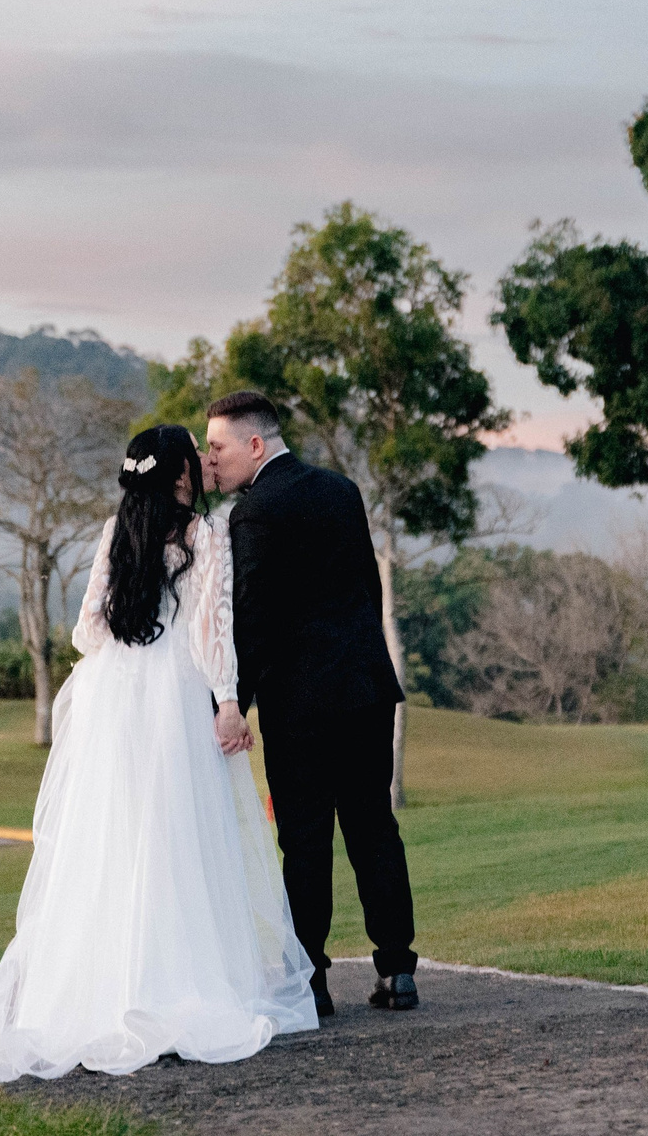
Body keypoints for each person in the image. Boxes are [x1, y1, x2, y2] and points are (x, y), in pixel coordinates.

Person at [0, 425, 318, 1084]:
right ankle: (175, 985)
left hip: (112, 702)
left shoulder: (115, 531)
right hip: (173, 700)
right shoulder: (204, 534)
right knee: (177, 839)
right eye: (193, 455)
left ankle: (97, 993)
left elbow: (87, 629)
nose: (201, 461)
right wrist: (227, 700)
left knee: (109, 839)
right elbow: (212, 633)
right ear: (179, 474)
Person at [201, 389, 420, 1016]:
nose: (213, 460)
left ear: (255, 444)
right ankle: (398, 971)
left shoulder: (255, 512)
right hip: (368, 689)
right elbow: (362, 590)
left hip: (301, 703)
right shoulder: (342, 490)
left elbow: (253, 618)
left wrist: (232, 701)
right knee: (374, 828)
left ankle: (311, 981)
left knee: (304, 840)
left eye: (218, 447)